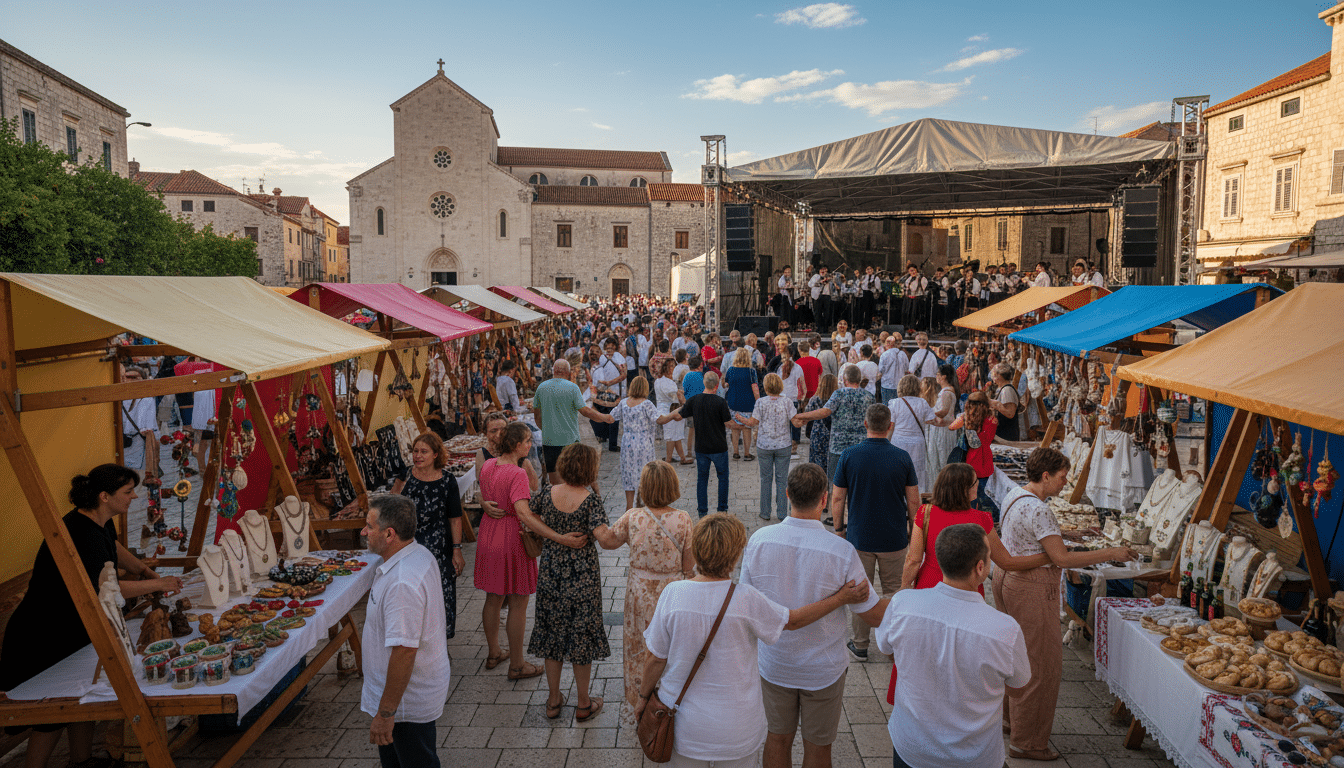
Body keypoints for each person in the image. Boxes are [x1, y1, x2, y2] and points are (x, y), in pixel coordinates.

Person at [636, 513, 870, 768]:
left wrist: (642, 698)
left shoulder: (673, 594)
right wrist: (840, 599)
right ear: (736, 555)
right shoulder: (746, 599)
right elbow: (793, 621)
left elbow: (655, 658)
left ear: (696, 549)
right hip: (737, 727)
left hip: (683, 724)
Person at [0, 465, 182, 768]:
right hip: (42, 635)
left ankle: (82, 761)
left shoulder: (98, 521)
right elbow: (103, 589)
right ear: (104, 496)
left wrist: (143, 569)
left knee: (82, 695)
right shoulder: (79, 532)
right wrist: (159, 584)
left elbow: (114, 547)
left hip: (72, 629)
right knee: (52, 712)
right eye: (128, 492)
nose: (134, 497)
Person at [995, 448, 1139, 761]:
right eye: (1062, 477)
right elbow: (1061, 558)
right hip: (1031, 586)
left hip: (1008, 580)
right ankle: (1028, 742)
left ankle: (1011, 721)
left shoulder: (1016, 494)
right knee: (1041, 666)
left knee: (1017, 656)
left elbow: (1036, 540)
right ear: (1045, 476)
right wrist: (1111, 553)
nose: (1065, 483)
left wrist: (1069, 536)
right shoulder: (1040, 509)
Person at [741, 463, 888, 768]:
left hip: (775, 663)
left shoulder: (759, 540)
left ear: (787, 494)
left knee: (777, 738)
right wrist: (908, 599)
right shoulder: (841, 551)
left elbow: (748, 606)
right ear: (824, 499)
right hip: (823, 669)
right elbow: (873, 616)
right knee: (819, 748)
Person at [877, 523, 1032, 768]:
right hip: (975, 755)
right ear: (980, 568)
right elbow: (1019, 688)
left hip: (912, 747)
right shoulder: (1005, 629)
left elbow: (885, 649)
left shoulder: (902, 604)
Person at [477, 423, 587, 680]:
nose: (530, 445)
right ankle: (517, 664)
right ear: (517, 445)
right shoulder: (517, 474)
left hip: (488, 533)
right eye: (527, 441)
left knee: (493, 598)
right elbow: (524, 514)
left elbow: (486, 495)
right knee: (518, 602)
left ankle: (494, 652)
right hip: (510, 537)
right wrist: (558, 537)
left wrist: (484, 504)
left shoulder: (488, 465)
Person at [530, 444, 621, 723]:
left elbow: (529, 516)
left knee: (552, 633)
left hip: (551, 574)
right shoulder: (591, 501)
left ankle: (553, 700)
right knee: (581, 635)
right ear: (589, 469)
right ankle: (583, 703)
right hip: (582, 577)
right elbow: (605, 540)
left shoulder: (547, 492)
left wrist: (552, 534)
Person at [360, 494, 451, 768]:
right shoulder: (418, 553)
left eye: (370, 526)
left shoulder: (402, 583)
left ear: (389, 534)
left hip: (405, 705)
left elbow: (404, 652)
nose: (363, 532)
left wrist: (386, 713)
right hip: (406, 698)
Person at [606, 461, 695, 723]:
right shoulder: (683, 519)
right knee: (670, 648)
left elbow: (609, 541)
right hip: (672, 593)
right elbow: (688, 566)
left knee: (638, 647)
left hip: (639, 595)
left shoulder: (633, 517)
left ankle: (638, 700)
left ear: (644, 487)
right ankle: (667, 701)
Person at [830, 404, 919, 660]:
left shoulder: (849, 455)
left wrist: (839, 529)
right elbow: (913, 501)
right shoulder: (902, 457)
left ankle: (860, 644)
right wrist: (914, 531)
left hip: (860, 537)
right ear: (890, 426)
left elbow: (837, 498)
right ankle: (893, 645)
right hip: (894, 537)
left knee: (861, 590)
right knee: (895, 591)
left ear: (865, 424)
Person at [391, 433, 464, 640]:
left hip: (440, 548)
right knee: (412, 595)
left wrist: (457, 550)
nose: (418, 456)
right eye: (415, 451)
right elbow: (391, 506)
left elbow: (455, 518)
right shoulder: (406, 475)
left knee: (441, 595)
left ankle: (439, 645)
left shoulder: (447, 480)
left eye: (424, 452)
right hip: (409, 547)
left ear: (435, 455)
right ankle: (413, 641)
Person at [659, 371, 734, 517]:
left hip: (701, 447)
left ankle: (702, 512)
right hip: (719, 446)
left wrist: (668, 416)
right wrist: (741, 423)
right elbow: (728, 423)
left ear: (704, 383)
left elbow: (679, 416)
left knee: (702, 480)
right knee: (723, 478)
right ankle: (722, 510)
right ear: (716, 385)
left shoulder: (694, 400)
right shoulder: (720, 402)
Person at [791, 364, 874, 495]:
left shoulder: (839, 394)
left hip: (838, 448)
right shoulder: (869, 397)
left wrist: (800, 416)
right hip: (860, 448)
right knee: (858, 486)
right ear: (859, 380)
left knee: (836, 486)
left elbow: (824, 412)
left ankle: (834, 508)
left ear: (845, 380)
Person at [533, 359, 607, 486]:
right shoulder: (572, 388)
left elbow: (537, 416)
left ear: (554, 371)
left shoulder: (541, 388)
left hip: (549, 440)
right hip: (569, 441)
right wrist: (604, 417)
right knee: (571, 478)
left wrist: (546, 429)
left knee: (554, 481)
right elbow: (585, 411)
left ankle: (557, 497)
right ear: (567, 373)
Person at [735, 373, 796, 521]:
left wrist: (741, 418)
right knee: (782, 480)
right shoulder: (787, 401)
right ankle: (782, 513)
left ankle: (765, 512)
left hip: (764, 445)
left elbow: (753, 422)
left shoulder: (761, 402)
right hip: (783, 444)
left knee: (765, 479)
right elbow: (796, 422)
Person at [601, 375, 660, 510]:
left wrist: (592, 414)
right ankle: (644, 506)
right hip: (644, 443)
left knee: (628, 474)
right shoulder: (647, 404)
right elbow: (659, 419)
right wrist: (675, 414)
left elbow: (610, 418)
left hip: (627, 444)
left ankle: (629, 508)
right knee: (645, 474)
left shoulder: (624, 403)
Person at [887, 375, 948, 493]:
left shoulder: (894, 403)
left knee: (898, 472)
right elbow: (933, 421)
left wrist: (886, 443)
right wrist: (950, 422)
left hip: (897, 442)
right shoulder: (922, 402)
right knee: (916, 473)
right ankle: (917, 498)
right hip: (917, 444)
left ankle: (899, 497)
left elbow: (891, 426)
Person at [924, 365, 961, 486]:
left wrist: (927, 414)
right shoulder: (947, 391)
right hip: (943, 429)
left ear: (943, 377)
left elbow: (944, 411)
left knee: (941, 460)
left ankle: (941, 486)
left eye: (938, 374)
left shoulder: (946, 392)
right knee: (941, 460)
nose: (936, 376)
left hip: (943, 431)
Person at [723, 348, 760, 461]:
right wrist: (759, 401)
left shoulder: (731, 370)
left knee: (735, 428)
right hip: (748, 404)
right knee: (746, 428)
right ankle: (747, 454)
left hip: (733, 402)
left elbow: (725, 384)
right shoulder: (751, 371)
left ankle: (735, 452)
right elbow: (755, 388)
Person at [589, 337, 626, 452]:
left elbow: (623, 374)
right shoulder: (603, 358)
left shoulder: (618, 358)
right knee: (608, 416)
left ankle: (611, 442)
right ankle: (609, 441)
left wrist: (609, 383)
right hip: (606, 391)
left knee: (612, 417)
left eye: (612, 347)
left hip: (614, 391)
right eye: (608, 347)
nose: (610, 349)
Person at [655, 358, 690, 465]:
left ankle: (682, 458)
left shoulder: (661, 381)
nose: (673, 368)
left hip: (668, 410)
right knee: (671, 437)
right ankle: (668, 460)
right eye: (671, 366)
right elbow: (674, 396)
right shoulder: (666, 382)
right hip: (670, 411)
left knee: (676, 436)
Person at [804, 373, 839, 474]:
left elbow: (807, 412)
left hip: (817, 433)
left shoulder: (815, 399)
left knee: (816, 462)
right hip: (832, 433)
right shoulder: (837, 400)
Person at [989, 363, 1022, 442]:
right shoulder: (1003, 389)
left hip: (1007, 435)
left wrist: (996, 405)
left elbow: (1010, 413)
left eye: (994, 374)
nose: (992, 376)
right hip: (1003, 434)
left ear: (999, 375)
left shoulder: (1007, 390)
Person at [876, 334, 906, 404]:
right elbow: (906, 368)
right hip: (900, 385)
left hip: (887, 385)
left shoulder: (884, 355)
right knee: (899, 406)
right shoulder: (903, 354)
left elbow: (880, 370)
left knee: (887, 406)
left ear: (888, 343)